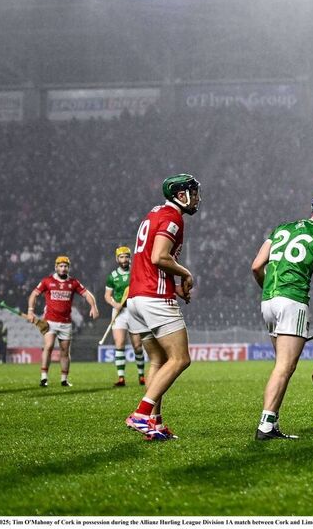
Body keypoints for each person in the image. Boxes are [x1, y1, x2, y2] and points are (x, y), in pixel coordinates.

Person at [249, 191, 313, 440]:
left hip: (268, 300)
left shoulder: (282, 228)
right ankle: (265, 426)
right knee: (285, 367)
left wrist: (270, 291)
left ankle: (271, 422)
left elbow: (256, 265)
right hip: (292, 301)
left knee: (280, 366)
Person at [123, 173, 199, 442]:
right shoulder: (172, 217)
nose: (198, 198)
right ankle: (142, 414)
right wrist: (185, 273)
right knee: (180, 359)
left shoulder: (152, 214)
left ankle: (154, 423)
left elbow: (147, 261)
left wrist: (173, 287)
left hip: (136, 298)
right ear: (181, 195)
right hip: (154, 298)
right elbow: (159, 257)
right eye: (194, 192)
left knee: (158, 360)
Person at [27, 255, 99, 388]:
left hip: (66, 322)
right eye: (61, 266)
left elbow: (87, 294)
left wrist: (93, 306)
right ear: (56, 267)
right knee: (48, 347)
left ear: (68, 268)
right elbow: (33, 295)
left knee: (65, 351)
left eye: (66, 266)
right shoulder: (47, 281)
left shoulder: (73, 283)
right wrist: (30, 311)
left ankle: (64, 379)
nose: (63, 268)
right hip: (50, 321)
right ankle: (43, 378)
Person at [104, 246, 146, 387]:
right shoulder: (112, 276)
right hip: (119, 313)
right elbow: (107, 296)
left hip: (134, 311)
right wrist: (115, 304)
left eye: (126, 257)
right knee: (120, 343)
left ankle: (141, 375)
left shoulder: (136, 273)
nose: (124, 259)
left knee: (137, 346)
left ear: (130, 258)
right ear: (117, 259)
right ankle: (121, 378)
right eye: (121, 257)